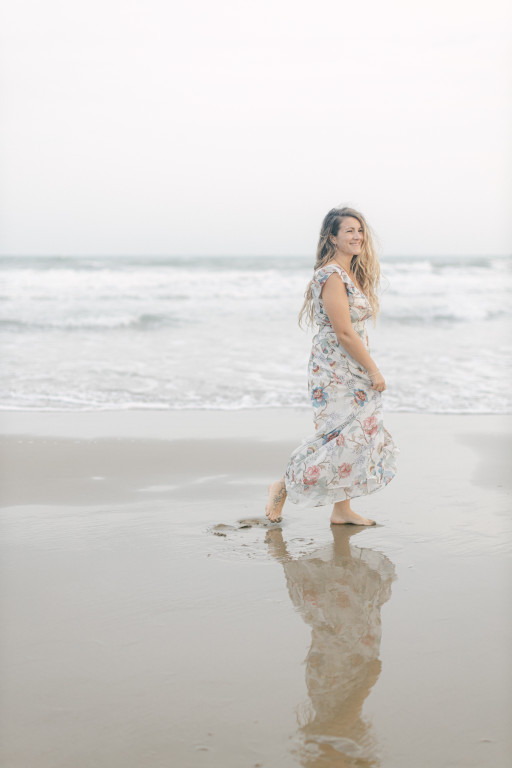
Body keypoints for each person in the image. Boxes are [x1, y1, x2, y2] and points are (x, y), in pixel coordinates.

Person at [265, 206, 399, 526]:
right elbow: (343, 332)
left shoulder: (349, 273)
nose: (357, 236)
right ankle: (283, 485)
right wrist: (374, 370)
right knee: (340, 436)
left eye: (360, 230)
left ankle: (341, 510)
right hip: (336, 367)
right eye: (349, 231)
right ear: (332, 237)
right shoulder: (330, 274)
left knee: (351, 434)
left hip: (348, 362)